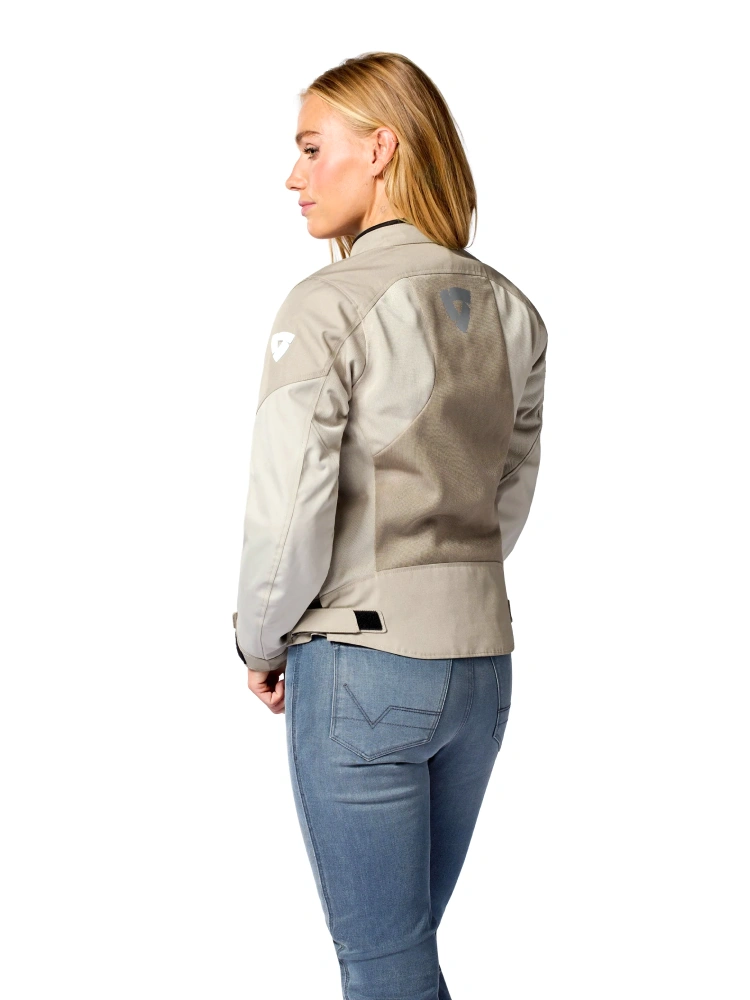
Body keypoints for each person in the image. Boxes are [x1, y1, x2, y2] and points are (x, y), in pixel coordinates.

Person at [233, 51, 547, 1000]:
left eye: (311, 148)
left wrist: (259, 640)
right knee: (404, 957)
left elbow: (288, 507)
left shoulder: (327, 304)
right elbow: (507, 496)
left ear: (380, 150)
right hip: (481, 670)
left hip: (362, 670)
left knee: (384, 969)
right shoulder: (514, 311)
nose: (293, 176)